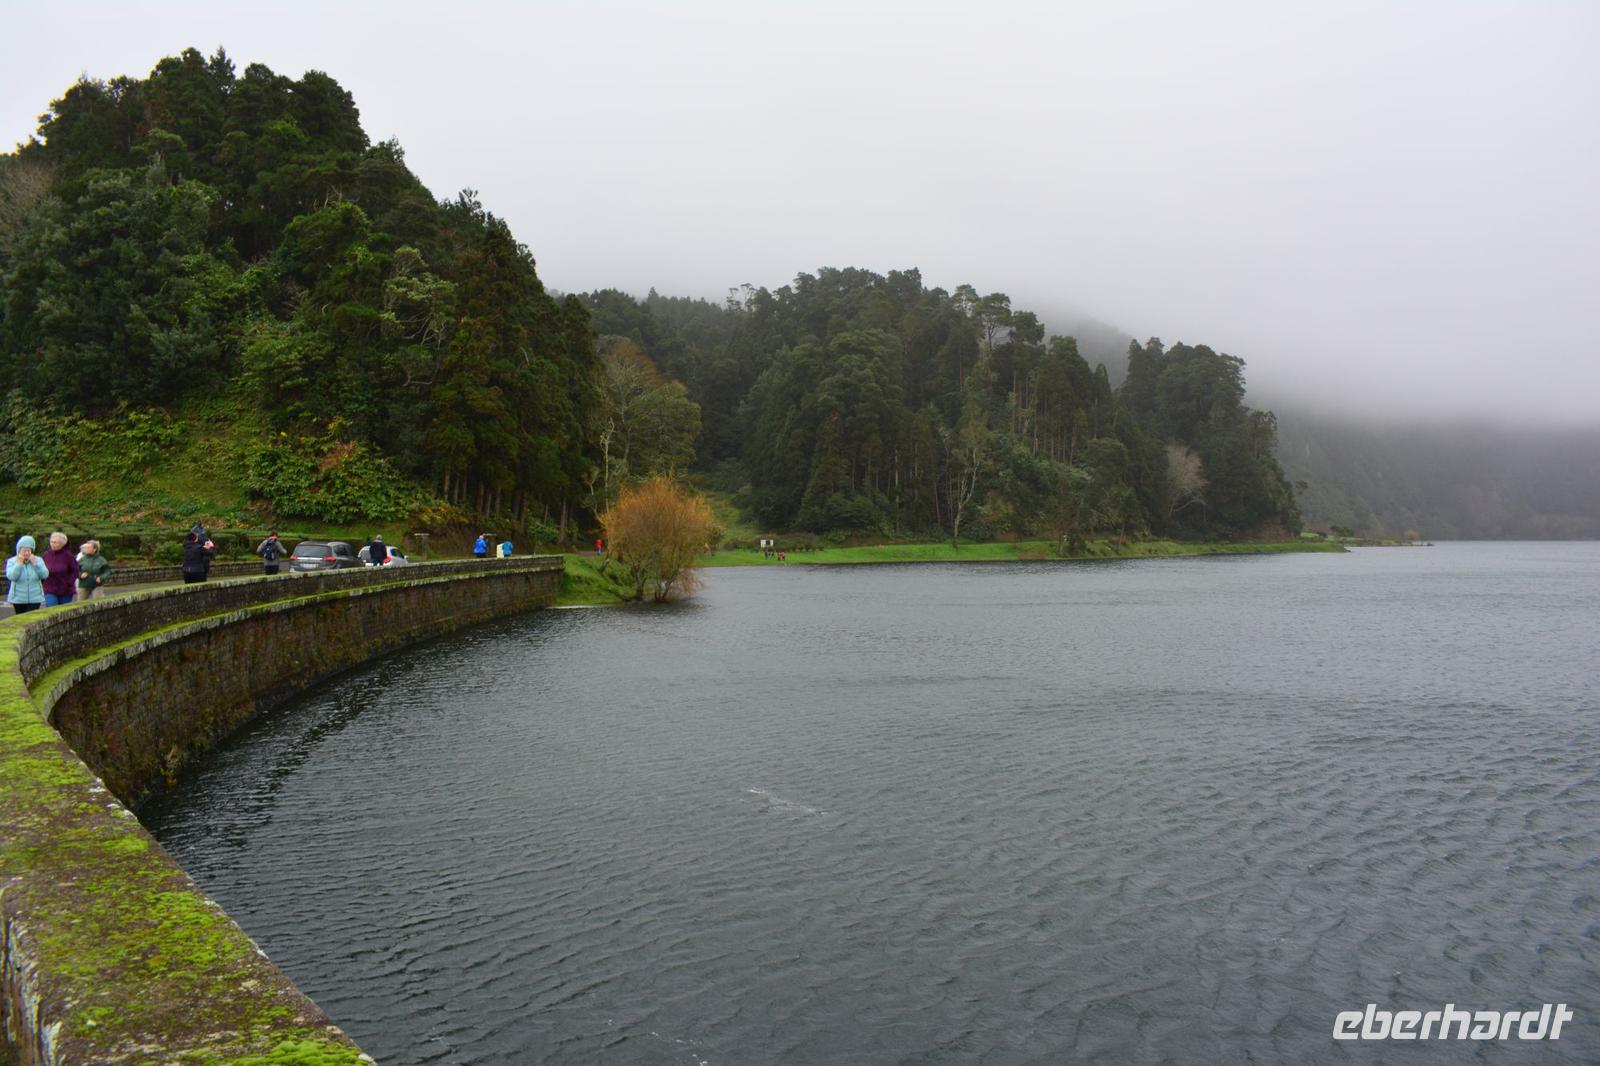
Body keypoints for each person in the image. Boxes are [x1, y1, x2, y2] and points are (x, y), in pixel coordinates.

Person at [6, 536, 48, 614]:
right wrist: (19, 564)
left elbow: (44, 575)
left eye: (29, 550)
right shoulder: (12, 561)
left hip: (35, 598)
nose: (27, 553)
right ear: (19, 550)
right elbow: (11, 576)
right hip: (18, 598)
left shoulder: (38, 560)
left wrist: (35, 564)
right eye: (24, 550)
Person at [41, 531, 80, 607]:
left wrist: (69, 582)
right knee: (51, 607)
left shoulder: (68, 556)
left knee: (63, 610)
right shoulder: (46, 555)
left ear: (62, 544)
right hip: (50, 587)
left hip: (65, 589)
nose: (53, 544)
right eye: (52, 542)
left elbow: (75, 570)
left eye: (56, 542)